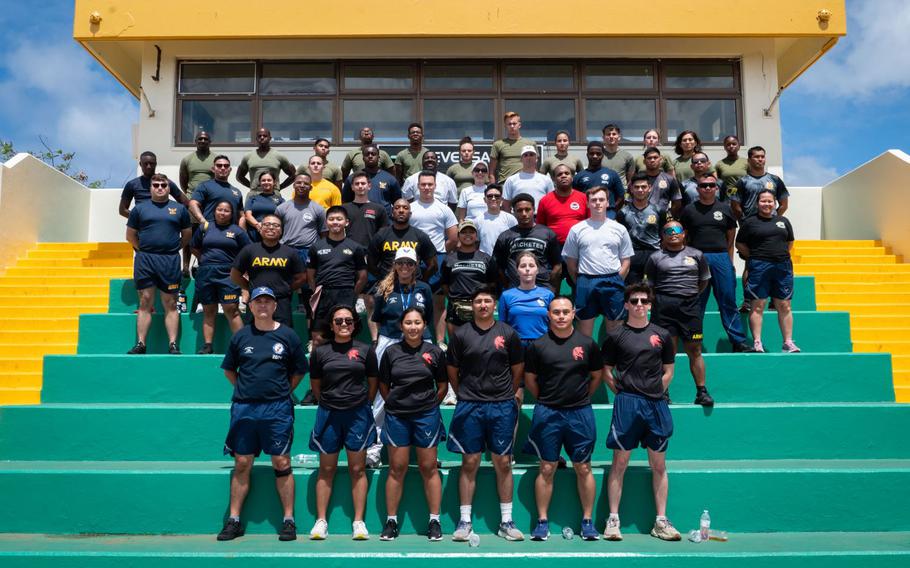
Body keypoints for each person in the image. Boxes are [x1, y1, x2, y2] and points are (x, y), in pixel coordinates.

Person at [216, 286, 308, 542]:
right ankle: (234, 520)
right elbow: (229, 371)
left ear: (275, 306)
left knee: (282, 462)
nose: (263, 305)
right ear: (252, 306)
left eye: (268, 301)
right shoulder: (241, 336)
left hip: (277, 408)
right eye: (258, 301)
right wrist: (247, 390)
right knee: (243, 463)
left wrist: (280, 391)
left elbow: (300, 371)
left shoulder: (288, 336)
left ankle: (288, 520)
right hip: (245, 407)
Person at [601, 283, 681, 543]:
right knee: (619, 463)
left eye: (643, 301)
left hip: (655, 405)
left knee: (658, 465)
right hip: (627, 404)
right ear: (626, 305)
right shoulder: (616, 335)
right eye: (633, 300)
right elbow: (606, 371)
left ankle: (661, 521)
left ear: (650, 305)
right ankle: (613, 520)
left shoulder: (662, 335)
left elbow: (669, 370)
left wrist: (655, 391)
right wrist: (623, 394)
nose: (638, 305)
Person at [446, 286, 525, 542]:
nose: (482, 305)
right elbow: (452, 369)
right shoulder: (461, 334)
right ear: (472, 305)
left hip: (501, 405)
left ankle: (506, 521)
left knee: (502, 462)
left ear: (495, 305)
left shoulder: (508, 333)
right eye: (478, 301)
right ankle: (465, 521)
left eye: (487, 301)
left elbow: (517, 369)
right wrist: (464, 393)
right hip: (470, 405)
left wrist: (506, 394)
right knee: (470, 462)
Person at [524, 296, 603, 542]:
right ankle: (542, 521)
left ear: (573, 314)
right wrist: (548, 400)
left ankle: (588, 521)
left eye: (565, 312)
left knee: (584, 467)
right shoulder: (537, 346)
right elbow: (530, 380)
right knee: (547, 467)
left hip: (580, 413)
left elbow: (596, 376)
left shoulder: (587, 344)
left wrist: (579, 398)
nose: (560, 316)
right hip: (548, 412)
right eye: (556, 312)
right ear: (548, 314)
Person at [376, 306, 448, 541]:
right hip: (397, 416)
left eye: (417, 322)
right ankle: (391, 521)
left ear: (425, 325)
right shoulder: (391, 352)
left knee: (429, 467)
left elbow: (442, 386)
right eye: (408, 323)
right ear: (401, 326)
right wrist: (398, 404)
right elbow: (384, 386)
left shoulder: (434, 352)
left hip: (426, 416)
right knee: (397, 468)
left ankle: (434, 521)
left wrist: (426, 405)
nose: (413, 327)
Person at [307, 305, 378, 541]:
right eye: (339, 321)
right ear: (331, 325)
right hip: (329, 414)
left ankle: (358, 522)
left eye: (348, 320)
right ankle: (321, 521)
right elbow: (315, 384)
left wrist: (359, 403)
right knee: (326, 469)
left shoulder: (366, 351)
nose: (344, 324)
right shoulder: (320, 352)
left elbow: (372, 383)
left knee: (357, 469)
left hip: (357, 415)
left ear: (355, 323)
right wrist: (329, 401)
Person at [679, 174, 753, 352]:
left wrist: (729, 262)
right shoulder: (689, 210)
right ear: (697, 189)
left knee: (728, 299)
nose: (707, 188)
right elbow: (684, 238)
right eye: (703, 186)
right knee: (695, 302)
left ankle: (737, 341)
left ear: (716, 188)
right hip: (696, 258)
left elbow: (730, 238)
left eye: (711, 185)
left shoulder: (725, 209)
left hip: (720, 257)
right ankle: (693, 339)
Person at [644, 221, 714, 405]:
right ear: (663, 236)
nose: (673, 233)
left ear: (684, 234)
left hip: (690, 307)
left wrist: (688, 295)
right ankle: (663, 392)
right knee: (667, 351)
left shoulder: (697, 255)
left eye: (677, 230)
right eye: (668, 231)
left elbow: (703, 281)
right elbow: (649, 285)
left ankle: (702, 392)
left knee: (695, 350)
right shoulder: (655, 258)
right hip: (664, 307)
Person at [125, 173, 192, 355]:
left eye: (164, 185)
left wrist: (174, 247)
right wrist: (144, 250)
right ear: (150, 188)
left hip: (169, 260)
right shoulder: (140, 209)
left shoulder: (179, 209)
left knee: (170, 302)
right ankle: (141, 344)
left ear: (169, 188)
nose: (160, 188)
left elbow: (187, 235)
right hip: (145, 259)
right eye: (156, 185)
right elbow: (130, 236)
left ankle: (172, 344)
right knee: (145, 300)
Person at [562, 186, 634, 338]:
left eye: (601, 199)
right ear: (587, 204)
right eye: (593, 200)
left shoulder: (619, 229)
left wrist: (616, 280)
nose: (598, 203)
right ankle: (586, 362)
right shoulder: (577, 229)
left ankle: (612, 362)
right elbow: (571, 262)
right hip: (586, 281)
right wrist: (581, 281)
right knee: (584, 330)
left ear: (608, 202)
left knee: (615, 330)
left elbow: (626, 261)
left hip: (612, 280)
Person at [735, 190, 800, 353]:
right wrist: (755, 256)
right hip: (759, 266)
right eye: (763, 201)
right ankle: (757, 342)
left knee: (785, 305)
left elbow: (790, 242)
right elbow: (740, 244)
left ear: (775, 203)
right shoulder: (750, 223)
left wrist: (779, 255)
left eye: (770, 201)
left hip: (782, 267)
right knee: (758, 305)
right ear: (757, 203)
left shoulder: (783, 221)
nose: (767, 204)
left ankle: (788, 342)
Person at [190, 200, 250, 354]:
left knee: (232, 309)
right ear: (214, 211)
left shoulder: (237, 231)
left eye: (226, 210)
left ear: (232, 214)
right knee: (209, 310)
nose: (222, 213)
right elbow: (194, 247)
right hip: (206, 273)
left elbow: (247, 252)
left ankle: (242, 346)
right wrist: (205, 260)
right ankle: (208, 345)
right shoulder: (205, 227)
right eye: (220, 210)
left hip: (228, 274)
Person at [408, 171, 458, 344]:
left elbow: (453, 237)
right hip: (413, 261)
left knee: (438, 302)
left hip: (438, 258)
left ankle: (440, 342)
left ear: (435, 186)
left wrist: (440, 254)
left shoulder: (443, 209)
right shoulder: (410, 209)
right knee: (413, 301)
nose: (427, 187)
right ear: (418, 186)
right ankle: (416, 339)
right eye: (423, 184)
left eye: (430, 184)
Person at [231, 214, 307, 326]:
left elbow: (302, 277)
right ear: (260, 229)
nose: (271, 227)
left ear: (281, 231)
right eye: (267, 224)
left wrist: (286, 289)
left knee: (282, 337)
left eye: (276, 225)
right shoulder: (249, 250)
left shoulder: (290, 252)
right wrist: (250, 287)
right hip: (256, 300)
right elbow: (235, 275)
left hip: (281, 301)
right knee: (254, 337)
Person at [275, 173, 328, 318]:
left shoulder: (318, 209)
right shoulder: (282, 208)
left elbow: (323, 234)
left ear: (310, 187)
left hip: (308, 252)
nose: (302, 185)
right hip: (286, 251)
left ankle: (311, 334)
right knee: (284, 288)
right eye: (299, 183)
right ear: (294, 185)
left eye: (305, 183)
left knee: (308, 292)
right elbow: (275, 232)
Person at [307, 206, 368, 324]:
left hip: (346, 292)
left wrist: (352, 295)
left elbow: (363, 276)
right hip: (323, 293)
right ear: (326, 222)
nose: (335, 222)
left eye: (339, 219)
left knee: (344, 329)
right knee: (318, 335)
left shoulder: (355, 247)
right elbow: (310, 275)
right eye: (331, 219)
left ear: (346, 222)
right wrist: (317, 291)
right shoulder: (316, 247)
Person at [441, 219, 498, 338]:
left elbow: (493, 283)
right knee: (456, 345)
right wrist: (455, 298)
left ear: (476, 236)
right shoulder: (449, 259)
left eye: (471, 232)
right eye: (464, 232)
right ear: (458, 236)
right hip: (456, 307)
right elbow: (445, 284)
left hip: (479, 306)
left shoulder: (486, 258)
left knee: (482, 343)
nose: (467, 235)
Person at [493, 194, 562, 290]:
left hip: (542, 288)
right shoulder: (505, 236)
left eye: (527, 209)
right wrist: (507, 285)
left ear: (534, 209)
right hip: (515, 288)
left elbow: (557, 265)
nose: (524, 213)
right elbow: (498, 267)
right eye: (519, 210)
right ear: (514, 212)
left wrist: (550, 285)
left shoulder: (548, 233)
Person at [616, 173, 666, 284]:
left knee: (654, 290)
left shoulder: (659, 210)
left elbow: (663, 234)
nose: (640, 190)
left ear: (649, 188)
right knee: (633, 289)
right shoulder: (623, 212)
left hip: (654, 253)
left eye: (643, 187)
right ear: (631, 189)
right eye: (637, 187)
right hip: (632, 254)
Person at [498, 251, 554, 346]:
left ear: (537, 270)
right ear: (517, 270)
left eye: (531, 265)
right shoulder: (506, 296)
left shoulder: (548, 295)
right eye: (523, 266)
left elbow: (553, 323)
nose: (527, 269)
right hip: (515, 345)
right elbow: (502, 326)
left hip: (542, 344)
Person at [119, 151, 188, 219]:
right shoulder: (132, 184)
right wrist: (139, 220)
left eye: (151, 163)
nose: (148, 166)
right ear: (140, 164)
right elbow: (122, 210)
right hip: (143, 227)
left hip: (164, 223)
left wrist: (175, 218)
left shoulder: (165, 183)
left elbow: (185, 203)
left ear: (155, 164)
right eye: (146, 164)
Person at [730, 146, 790, 220]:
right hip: (750, 226)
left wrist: (774, 219)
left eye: (762, 157)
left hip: (770, 225)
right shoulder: (742, 181)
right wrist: (744, 220)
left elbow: (784, 205)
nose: (760, 159)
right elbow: (734, 205)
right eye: (757, 157)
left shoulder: (775, 180)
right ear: (749, 160)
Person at [535, 164, 589, 246]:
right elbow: (541, 228)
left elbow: (590, 222)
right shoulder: (544, 201)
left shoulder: (584, 198)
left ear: (572, 177)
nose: (563, 176)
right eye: (559, 174)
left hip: (580, 245)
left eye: (567, 173)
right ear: (553, 179)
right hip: (554, 247)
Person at [188, 155, 245, 228]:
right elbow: (193, 204)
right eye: (219, 165)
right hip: (210, 231)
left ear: (230, 169)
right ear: (213, 169)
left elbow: (241, 216)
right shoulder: (205, 186)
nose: (223, 168)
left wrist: (242, 233)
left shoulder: (237, 192)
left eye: (226, 166)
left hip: (231, 234)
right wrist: (204, 223)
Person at [572, 141, 624, 218]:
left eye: (598, 154)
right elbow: (574, 197)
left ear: (603, 155)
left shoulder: (612, 174)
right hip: (585, 215)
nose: (595, 156)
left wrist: (613, 211)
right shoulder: (578, 176)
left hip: (608, 214)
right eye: (592, 153)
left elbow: (621, 197)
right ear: (587, 155)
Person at [236, 128, 296, 194]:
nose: (262, 137)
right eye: (259, 136)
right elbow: (239, 176)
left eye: (265, 136)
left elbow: (294, 175)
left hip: (273, 195)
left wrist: (279, 187)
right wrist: (251, 186)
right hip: (254, 195)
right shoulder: (248, 156)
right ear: (256, 139)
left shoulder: (279, 156)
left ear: (270, 138)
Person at [341, 145, 401, 210]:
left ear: (378, 157)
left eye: (373, 154)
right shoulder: (353, 178)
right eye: (367, 154)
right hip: (360, 217)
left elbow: (397, 203)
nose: (370, 156)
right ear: (363, 158)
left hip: (384, 218)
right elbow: (345, 202)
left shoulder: (390, 179)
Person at [502, 146, 554, 212]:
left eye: (531, 155)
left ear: (536, 158)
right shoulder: (511, 180)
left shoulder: (546, 180)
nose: (528, 157)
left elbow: (552, 202)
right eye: (525, 155)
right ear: (521, 159)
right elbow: (506, 204)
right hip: (518, 218)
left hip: (540, 218)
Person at [490, 111, 536, 183]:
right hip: (504, 185)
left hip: (526, 184)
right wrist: (493, 188)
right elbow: (491, 171)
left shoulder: (530, 144)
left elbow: (535, 167)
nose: (512, 126)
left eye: (514, 123)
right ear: (505, 126)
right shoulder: (498, 144)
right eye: (509, 124)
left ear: (519, 125)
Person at [475, 184, 518, 256]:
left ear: (501, 199)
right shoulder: (477, 220)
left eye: (497, 196)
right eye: (489, 196)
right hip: (485, 261)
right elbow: (476, 243)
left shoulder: (510, 219)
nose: (493, 198)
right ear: (485, 200)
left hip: (505, 259)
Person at [243, 171, 285, 242]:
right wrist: (257, 225)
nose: (266, 182)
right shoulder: (252, 198)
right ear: (260, 183)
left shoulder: (280, 200)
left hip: (273, 238)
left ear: (274, 182)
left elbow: (283, 218)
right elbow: (247, 215)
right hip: (254, 238)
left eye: (269, 180)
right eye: (263, 180)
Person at [640, 147, 682, 216]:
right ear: (644, 161)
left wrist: (668, 215)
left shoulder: (670, 179)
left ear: (660, 160)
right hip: (641, 218)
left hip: (662, 219)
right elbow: (629, 200)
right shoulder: (637, 179)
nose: (652, 160)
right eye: (649, 158)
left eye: (655, 157)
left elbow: (677, 202)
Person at [178, 131, 215, 198]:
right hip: (192, 197)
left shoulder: (216, 160)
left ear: (210, 142)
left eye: (205, 139)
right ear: (195, 141)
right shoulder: (187, 159)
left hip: (211, 198)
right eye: (200, 139)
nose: (203, 141)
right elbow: (183, 182)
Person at [601, 124, 636, 190]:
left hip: (621, 193)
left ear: (619, 137)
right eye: (608, 134)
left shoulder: (627, 156)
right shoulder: (598, 155)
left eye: (614, 134)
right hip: (603, 193)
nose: (611, 136)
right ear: (603, 137)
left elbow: (630, 179)